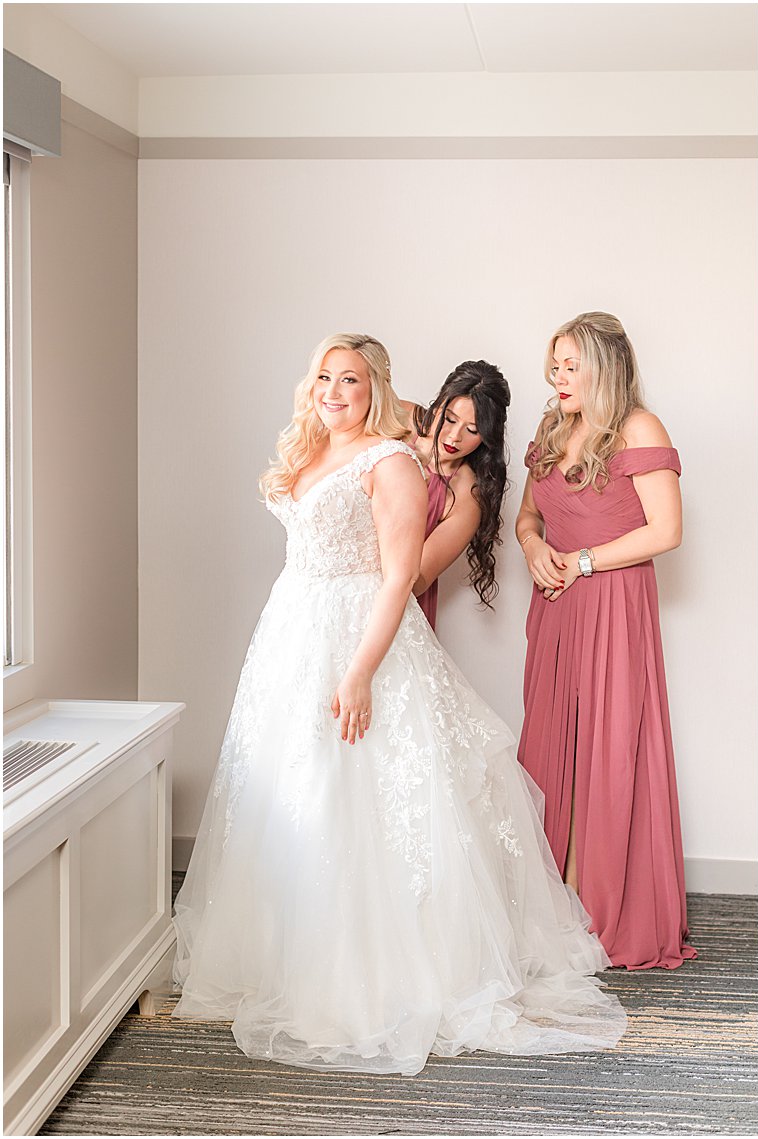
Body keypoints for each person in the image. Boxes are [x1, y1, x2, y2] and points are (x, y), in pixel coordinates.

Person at [172, 333, 625, 1075]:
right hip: (292, 630)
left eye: (351, 379)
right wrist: (381, 401)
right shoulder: (328, 443)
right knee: (294, 788)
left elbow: (397, 577)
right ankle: (285, 950)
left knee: (366, 797)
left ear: (374, 387)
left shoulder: (396, 466)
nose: (334, 389)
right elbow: (393, 412)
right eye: (324, 375)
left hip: (360, 634)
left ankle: (368, 966)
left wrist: (358, 672)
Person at [515, 312, 697, 970]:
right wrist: (535, 547)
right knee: (550, 745)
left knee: (612, 748)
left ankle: (604, 907)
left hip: (613, 607)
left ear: (604, 365)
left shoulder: (638, 427)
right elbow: (528, 515)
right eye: (554, 366)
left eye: (571, 365)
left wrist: (586, 560)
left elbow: (666, 528)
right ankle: (550, 901)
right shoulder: (553, 428)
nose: (558, 377)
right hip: (557, 607)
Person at [403, 361, 512, 629]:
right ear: (437, 404)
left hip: (396, 606)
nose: (454, 437)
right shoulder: (400, 418)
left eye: (472, 430)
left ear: (487, 437)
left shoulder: (467, 495)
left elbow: (415, 582)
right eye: (449, 419)